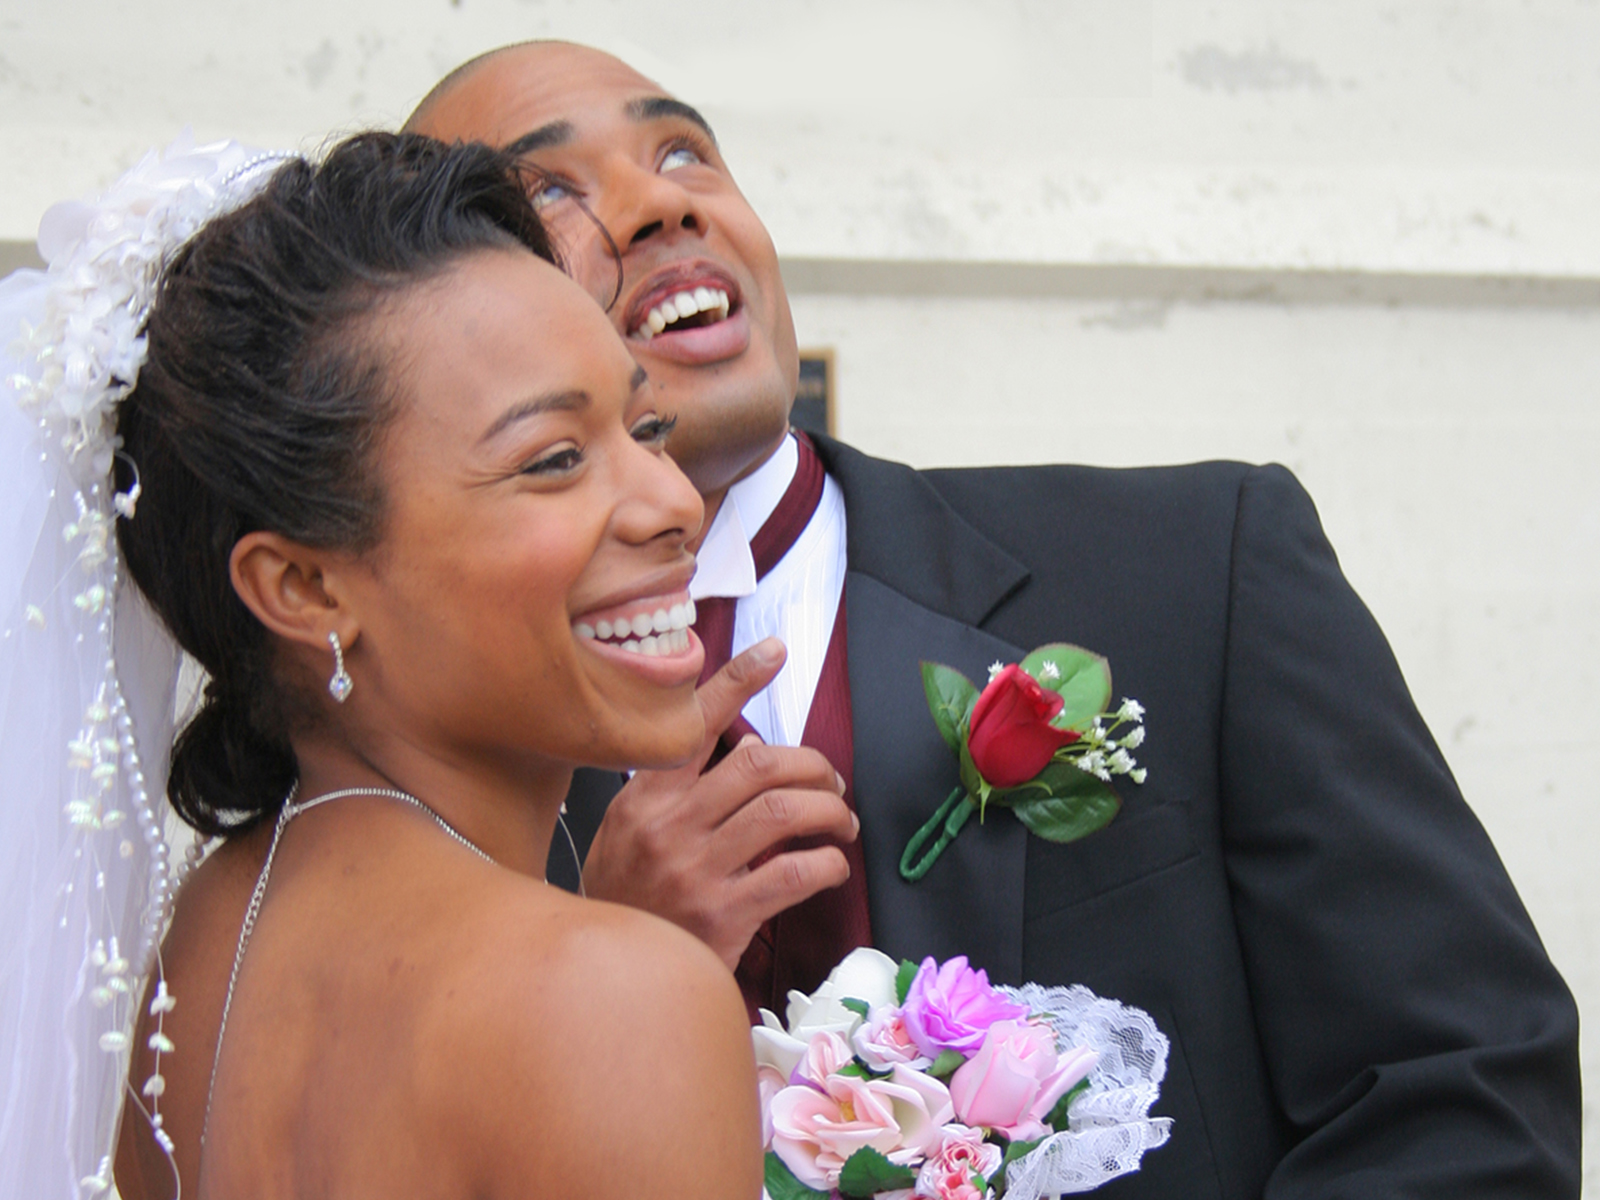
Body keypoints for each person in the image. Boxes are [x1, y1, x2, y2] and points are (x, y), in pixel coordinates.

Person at [406, 42, 1583, 1198]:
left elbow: (1464, 1085)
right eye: (549, 188)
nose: (660, 201)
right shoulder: (430, 767)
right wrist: (600, 969)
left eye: (685, 152)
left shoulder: (1196, 564)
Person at [0, 132, 763, 1199]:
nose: (675, 503)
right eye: (553, 460)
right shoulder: (611, 996)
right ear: (305, 590)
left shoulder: (189, 956)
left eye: (643, 426)